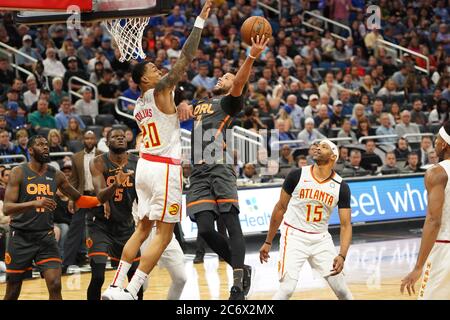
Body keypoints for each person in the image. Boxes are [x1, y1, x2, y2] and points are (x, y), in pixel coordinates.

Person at [103, 0, 213, 300]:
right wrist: (199, 23)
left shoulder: (139, 103)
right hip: (164, 168)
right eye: (153, 68)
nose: (158, 68)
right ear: (145, 80)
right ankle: (132, 290)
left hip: (144, 167)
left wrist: (180, 109)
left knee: (141, 231)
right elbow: (187, 57)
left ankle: (114, 285)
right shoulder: (161, 89)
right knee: (163, 235)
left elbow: (166, 116)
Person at [178, 36, 270, 299]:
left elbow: (240, 82)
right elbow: (178, 109)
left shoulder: (230, 102)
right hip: (197, 172)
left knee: (231, 224)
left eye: (228, 77)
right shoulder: (201, 103)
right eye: (223, 76)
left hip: (219, 168)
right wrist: (182, 103)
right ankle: (243, 267)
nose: (223, 77)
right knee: (205, 229)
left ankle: (237, 283)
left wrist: (250, 57)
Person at [2, 135, 101, 300]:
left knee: (55, 284)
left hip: (45, 237)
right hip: (20, 237)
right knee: (13, 289)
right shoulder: (18, 172)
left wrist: (102, 199)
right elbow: (7, 208)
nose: (46, 147)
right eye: (40, 145)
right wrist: (35, 203)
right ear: (31, 150)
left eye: (46, 144)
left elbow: (79, 198)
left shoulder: (56, 174)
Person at [259, 140, 353, 300]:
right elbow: (280, 208)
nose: (317, 148)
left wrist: (342, 255)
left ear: (333, 156)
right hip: (294, 235)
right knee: (287, 289)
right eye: (317, 146)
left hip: (321, 239)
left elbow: (345, 225)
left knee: (342, 290)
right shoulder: (297, 175)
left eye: (324, 147)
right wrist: (268, 241)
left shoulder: (341, 186)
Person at [401, 123, 450, 299]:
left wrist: (418, 266)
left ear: (444, 144)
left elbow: (433, 221)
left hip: (445, 248)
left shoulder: (437, 172)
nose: (434, 143)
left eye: (437, 138)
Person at [62, 131, 102, 272]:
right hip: (82, 196)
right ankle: (66, 262)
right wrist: (71, 199)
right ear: (83, 140)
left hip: (98, 196)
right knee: (75, 228)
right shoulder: (76, 157)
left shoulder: (103, 155)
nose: (89, 140)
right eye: (87, 138)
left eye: (92, 138)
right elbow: (73, 180)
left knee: (102, 228)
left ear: (95, 139)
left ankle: (105, 260)